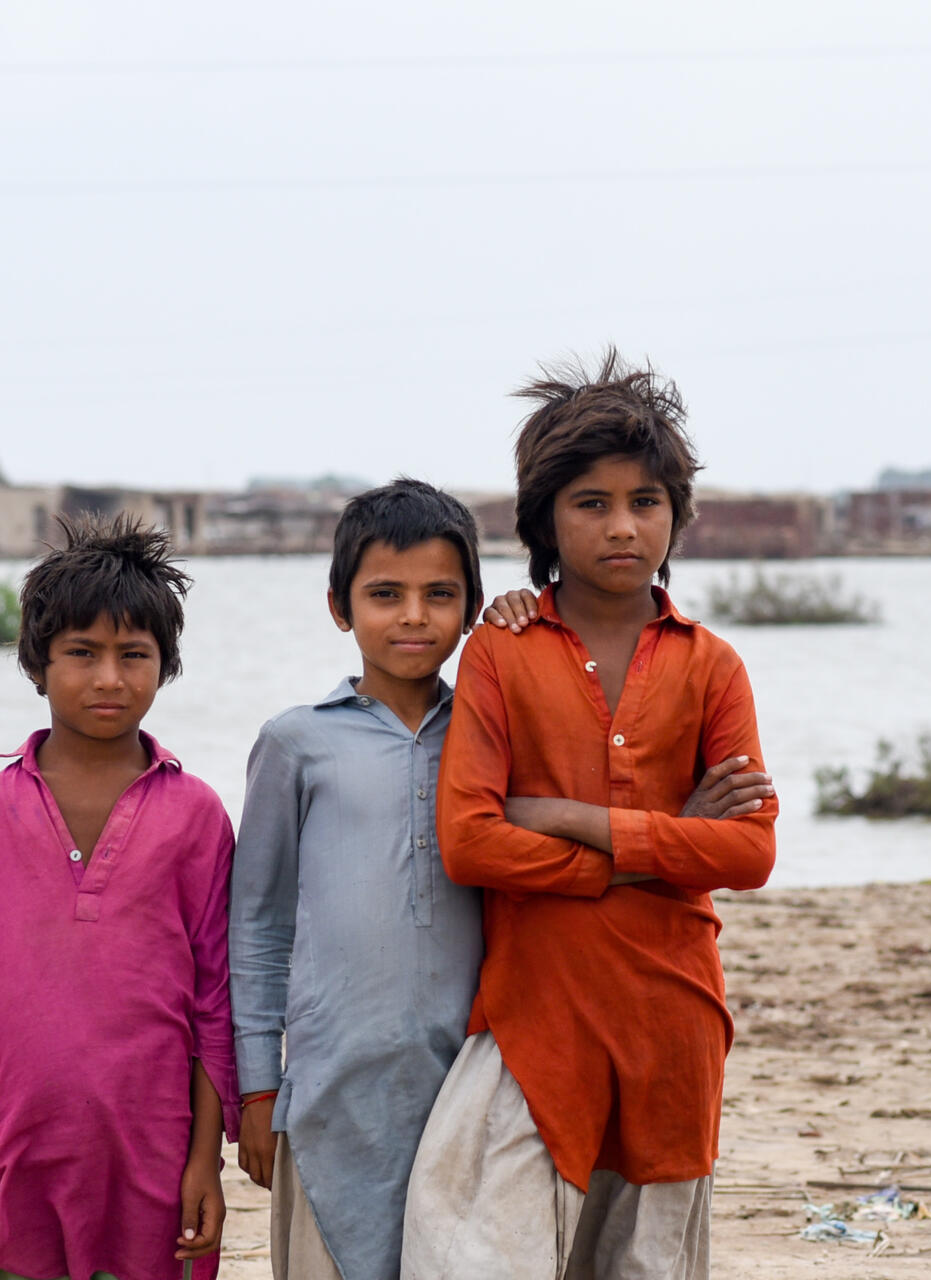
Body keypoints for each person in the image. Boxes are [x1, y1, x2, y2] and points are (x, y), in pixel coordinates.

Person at [402, 350, 778, 1279]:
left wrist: (573, 818)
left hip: (674, 1021)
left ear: (675, 517)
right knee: (478, 1256)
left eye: (646, 502)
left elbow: (751, 849)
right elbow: (470, 841)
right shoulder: (503, 651)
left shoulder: (711, 665)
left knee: (645, 1264)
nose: (623, 526)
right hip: (535, 1019)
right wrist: (659, 845)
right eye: (592, 503)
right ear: (545, 518)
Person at [229, 478, 485, 1280]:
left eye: (440, 594)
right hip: (328, 1084)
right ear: (340, 607)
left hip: (465, 1082)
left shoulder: (491, 736)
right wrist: (258, 1089)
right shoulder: (297, 744)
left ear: (473, 606)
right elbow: (258, 925)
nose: (414, 616)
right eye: (385, 594)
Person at [0, 515, 239, 1280]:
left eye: (134, 655)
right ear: (36, 664)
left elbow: (214, 1000)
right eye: (82, 653)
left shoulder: (196, 814)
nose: (109, 678)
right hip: (15, 1158)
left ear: (164, 667)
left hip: (154, 1161)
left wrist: (208, 1163)